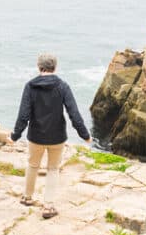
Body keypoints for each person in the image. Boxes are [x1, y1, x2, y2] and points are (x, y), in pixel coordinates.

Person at [10, 53, 91, 219]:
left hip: (35, 136)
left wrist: (14, 136)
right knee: (53, 169)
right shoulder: (62, 86)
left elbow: (23, 115)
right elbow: (73, 113)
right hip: (57, 137)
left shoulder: (30, 86)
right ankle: (48, 206)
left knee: (32, 165)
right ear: (55, 67)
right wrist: (85, 135)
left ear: (39, 67)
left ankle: (27, 197)